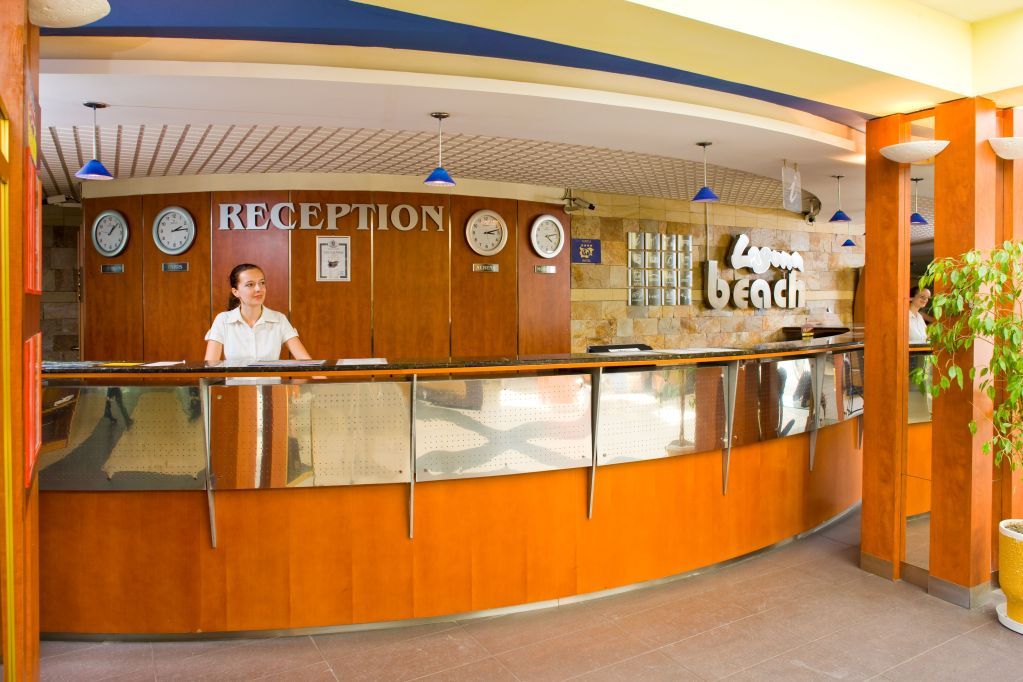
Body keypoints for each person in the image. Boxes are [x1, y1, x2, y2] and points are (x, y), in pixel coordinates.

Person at [204, 263, 312, 362]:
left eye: (262, 283)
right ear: (236, 292)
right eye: (250, 284)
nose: (258, 289)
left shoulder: (279, 319)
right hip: (236, 379)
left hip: (270, 379)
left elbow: (307, 363)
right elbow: (210, 366)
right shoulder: (222, 320)